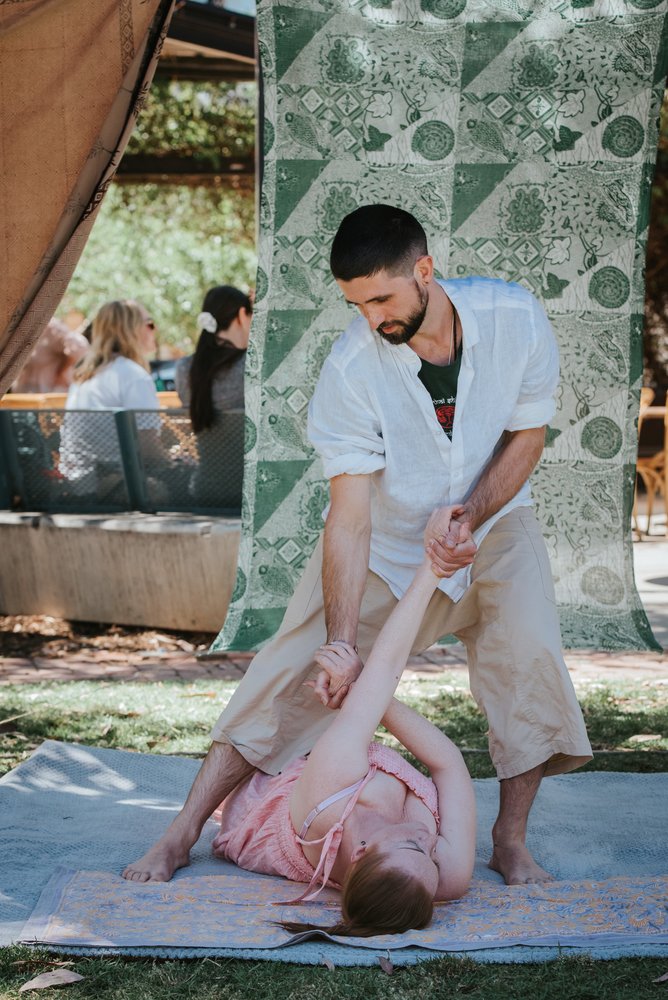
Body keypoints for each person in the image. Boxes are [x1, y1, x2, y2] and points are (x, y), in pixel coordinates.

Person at [123, 204, 592, 889]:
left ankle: (510, 842)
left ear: (424, 271)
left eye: (381, 297)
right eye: (356, 303)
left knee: (530, 661)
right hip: (388, 539)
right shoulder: (350, 369)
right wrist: (342, 644)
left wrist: (469, 516)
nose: (372, 318)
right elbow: (348, 518)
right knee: (287, 677)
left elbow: (527, 437)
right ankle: (181, 831)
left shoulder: (516, 319)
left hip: (496, 521)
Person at [211, 552, 475, 936]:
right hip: (340, 783)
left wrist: (432, 569)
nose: (429, 841)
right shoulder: (445, 879)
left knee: (282, 722)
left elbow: (383, 676)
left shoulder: (332, 791)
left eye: (416, 848)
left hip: (277, 801)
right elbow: (449, 762)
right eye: (432, 861)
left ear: (362, 852)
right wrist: (363, 684)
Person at [59, 299, 162, 494]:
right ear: (131, 330)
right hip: (113, 489)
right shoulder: (133, 375)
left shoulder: (84, 376)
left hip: (77, 487)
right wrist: (175, 461)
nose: (154, 330)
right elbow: (148, 450)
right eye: (149, 324)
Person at [175, 286, 252, 426]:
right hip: (245, 448)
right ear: (242, 315)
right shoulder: (251, 366)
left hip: (206, 448)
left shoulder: (184, 368)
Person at [12, 317, 88, 393]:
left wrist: (61, 372)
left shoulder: (52, 327)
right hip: (26, 383)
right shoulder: (21, 325)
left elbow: (79, 347)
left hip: (47, 386)